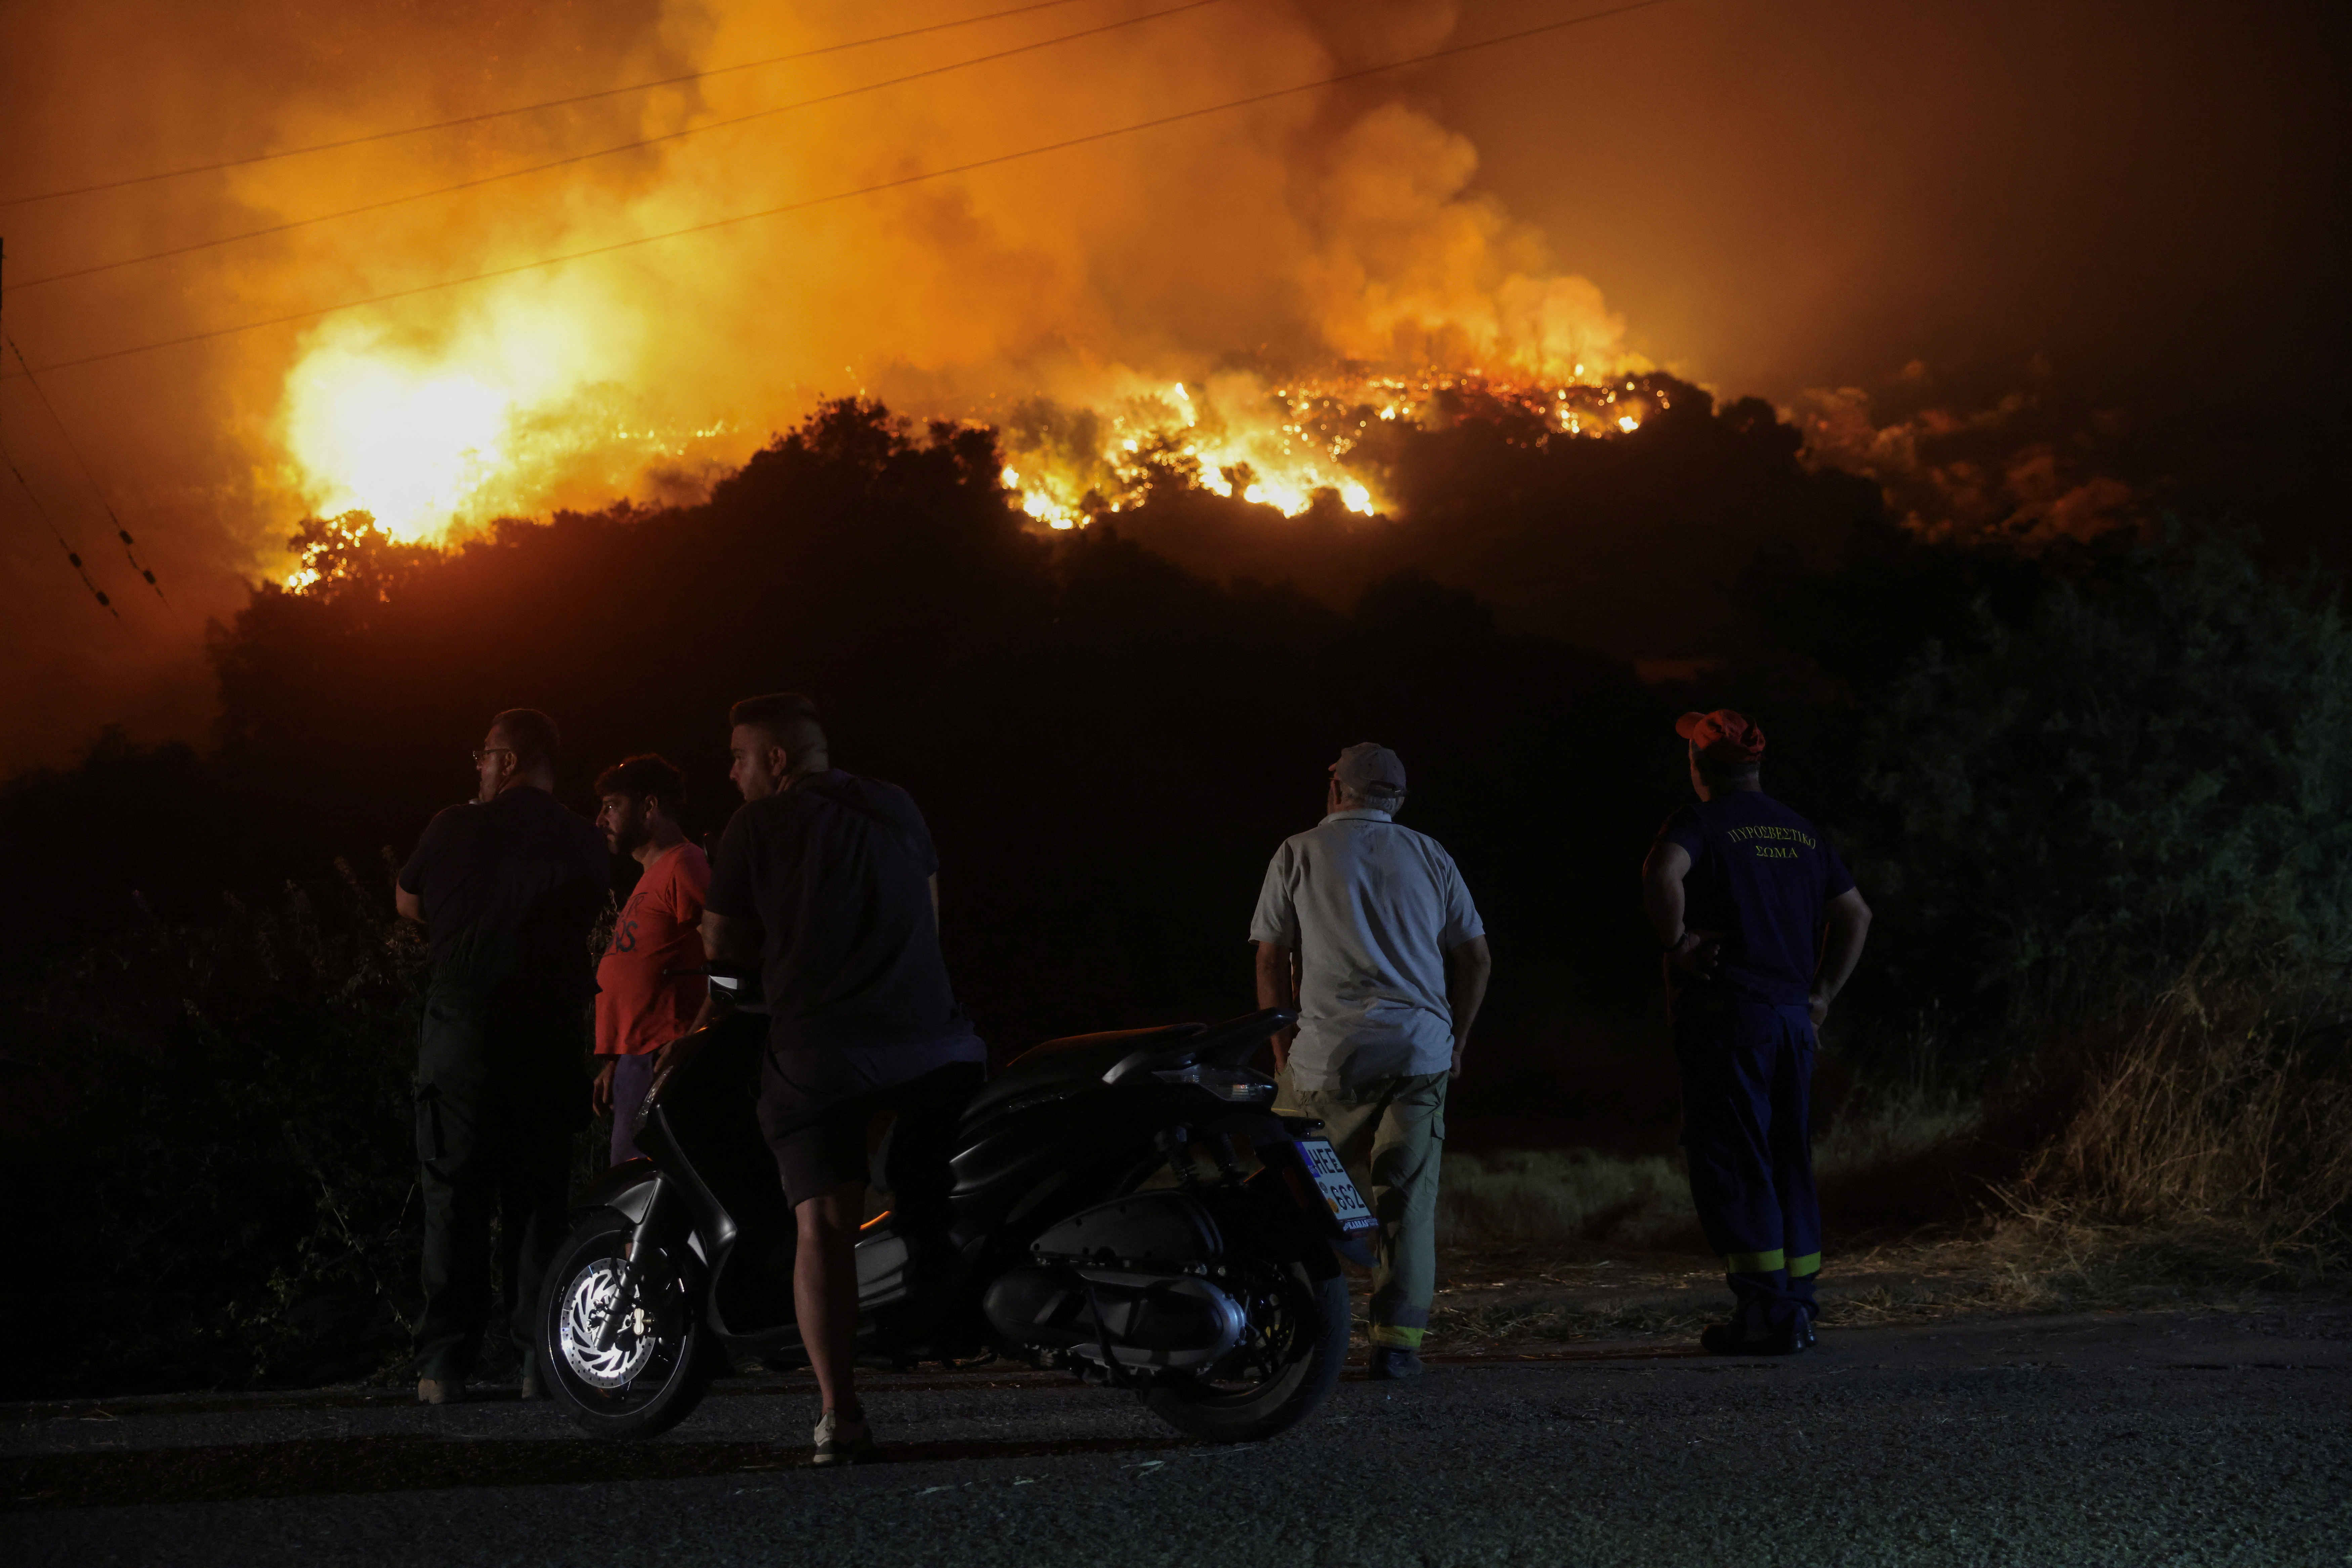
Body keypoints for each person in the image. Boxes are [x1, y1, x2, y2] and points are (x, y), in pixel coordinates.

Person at [699, 692, 984, 1464]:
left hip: (823, 1049)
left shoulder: (753, 826)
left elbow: (722, 947)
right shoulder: (897, 805)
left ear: (777, 759)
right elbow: (929, 914)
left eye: (738, 755)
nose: (731, 772)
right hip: (939, 1042)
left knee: (821, 1225)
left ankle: (840, 1414)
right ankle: (944, 1306)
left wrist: (721, 1013)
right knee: (937, 1180)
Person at [1250, 743, 1492, 1380]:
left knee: (1293, 1195)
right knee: (1405, 1201)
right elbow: (1477, 957)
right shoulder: (1430, 854)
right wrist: (1457, 1039)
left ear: (1335, 788)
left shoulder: (1298, 852)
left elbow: (1270, 960)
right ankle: (1397, 1343)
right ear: (1398, 800)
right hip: (1419, 1052)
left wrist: (1281, 1051)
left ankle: (1282, 1328)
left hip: (1326, 1057)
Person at [1640, 709, 1871, 1356]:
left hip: (1729, 1020)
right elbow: (1856, 914)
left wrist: (1678, 943)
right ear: (1757, 766)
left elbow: (1662, 875)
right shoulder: (1803, 831)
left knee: (1734, 1159)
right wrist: (1821, 995)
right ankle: (1797, 1306)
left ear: (1700, 765)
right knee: (1788, 1158)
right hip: (1792, 1024)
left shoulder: (1700, 823)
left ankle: (1765, 1314)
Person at [395, 708, 606, 1404]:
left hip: (461, 1032)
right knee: (538, 1200)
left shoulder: (453, 824)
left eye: (484, 755)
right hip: (543, 1037)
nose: (478, 768)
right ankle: (538, 1362)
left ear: (508, 760)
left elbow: (407, 902)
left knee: (452, 1193)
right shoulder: (582, 837)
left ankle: (442, 1365)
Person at [590, 754, 709, 1165]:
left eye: (611, 806)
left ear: (649, 807)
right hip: (639, 1059)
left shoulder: (685, 864)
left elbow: (729, 955)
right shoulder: (652, 875)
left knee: (642, 1194)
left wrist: (694, 1037)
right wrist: (617, 1060)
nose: (600, 820)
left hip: (665, 1057)